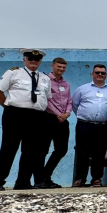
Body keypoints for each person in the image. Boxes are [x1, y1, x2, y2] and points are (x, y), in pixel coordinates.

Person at [0, 48, 52, 191]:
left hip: (37, 116)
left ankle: (23, 182)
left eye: (37, 60)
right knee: (8, 148)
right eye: (30, 59)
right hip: (15, 114)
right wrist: (7, 107)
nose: (33, 62)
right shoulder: (13, 73)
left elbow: (47, 97)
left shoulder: (44, 78)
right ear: (24, 60)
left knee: (30, 151)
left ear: (40, 61)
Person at [71, 64, 107, 187]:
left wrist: (104, 117)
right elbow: (75, 105)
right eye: (97, 72)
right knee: (82, 152)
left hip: (103, 126)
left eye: (103, 73)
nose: (100, 75)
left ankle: (96, 179)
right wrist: (85, 117)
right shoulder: (82, 89)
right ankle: (80, 178)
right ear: (92, 74)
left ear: (106, 75)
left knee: (100, 153)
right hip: (84, 125)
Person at [40, 56, 71, 188]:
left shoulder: (66, 84)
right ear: (52, 66)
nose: (61, 69)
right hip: (49, 119)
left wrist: (68, 113)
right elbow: (46, 100)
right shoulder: (45, 81)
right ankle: (39, 179)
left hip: (63, 120)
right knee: (43, 150)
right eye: (59, 67)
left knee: (61, 150)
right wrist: (59, 114)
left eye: (64, 67)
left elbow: (70, 100)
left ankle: (46, 176)